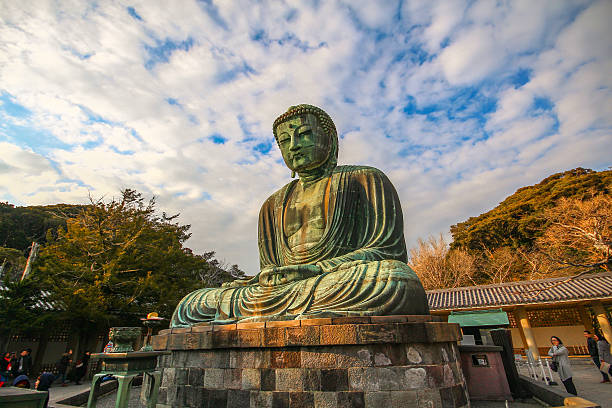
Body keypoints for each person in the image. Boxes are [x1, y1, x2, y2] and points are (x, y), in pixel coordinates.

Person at [171, 104, 429, 326]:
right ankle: (278, 312)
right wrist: (260, 280)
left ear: (330, 138)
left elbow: (388, 251)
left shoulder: (364, 179)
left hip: (336, 281)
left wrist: (316, 269)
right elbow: (272, 271)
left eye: (304, 134)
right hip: (286, 292)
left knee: (396, 279)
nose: (293, 146)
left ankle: (277, 313)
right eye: (284, 141)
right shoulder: (272, 204)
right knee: (191, 305)